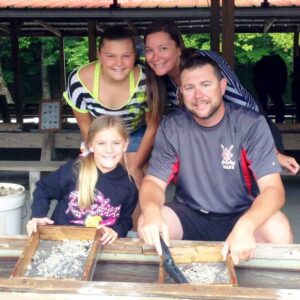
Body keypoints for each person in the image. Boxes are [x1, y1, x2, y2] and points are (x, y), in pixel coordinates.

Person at [138, 54, 293, 264]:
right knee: (146, 223)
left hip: (241, 212)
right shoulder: (172, 127)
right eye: (189, 87)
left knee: (279, 229)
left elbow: (273, 190)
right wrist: (151, 211)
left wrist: (246, 225)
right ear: (181, 92)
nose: (198, 95)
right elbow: (153, 182)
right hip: (190, 213)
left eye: (205, 84)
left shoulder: (250, 124)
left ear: (222, 86)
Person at [143, 20, 299, 175]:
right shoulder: (161, 80)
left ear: (179, 49)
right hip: (210, 141)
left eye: (163, 48)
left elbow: (245, 105)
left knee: (262, 188)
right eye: (149, 50)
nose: (155, 57)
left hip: (252, 127)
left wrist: (269, 150)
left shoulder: (206, 62)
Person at [63, 26, 159, 187]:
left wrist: (135, 166)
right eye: (110, 56)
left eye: (126, 56)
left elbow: (152, 126)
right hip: (99, 134)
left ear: (135, 55)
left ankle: (139, 212)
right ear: (99, 55)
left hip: (135, 133)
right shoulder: (78, 81)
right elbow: (86, 128)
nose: (119, 63)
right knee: (103, 177)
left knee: (135, 177)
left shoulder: (146, 79)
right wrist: (106, 154)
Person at [27, 115, 138, 245]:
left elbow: (125, 220)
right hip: (59, 242)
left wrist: (116, 230)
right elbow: (43, 189)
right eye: (101, 143)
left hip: (98, 247)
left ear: (125, 145)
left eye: (116, 143)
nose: (109, 150)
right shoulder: (73, 170)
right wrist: (38, 216)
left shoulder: (129, 186)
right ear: (91, 146)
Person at [253, 54, 287, 123]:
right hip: (272, 75)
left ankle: (265, 121)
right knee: (276, 100)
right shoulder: (275, 66)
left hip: (269, 75)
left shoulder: (262, 69)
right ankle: (278, 121)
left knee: (265, 100)